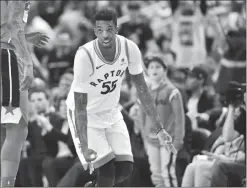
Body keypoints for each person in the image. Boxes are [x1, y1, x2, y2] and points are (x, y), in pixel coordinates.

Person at [66, 8, 177, 187]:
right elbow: (80, 104)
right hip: (86, 114)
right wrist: (84, 144)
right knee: (107, 170)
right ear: (95, 31)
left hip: (111, 111)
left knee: (125, 168)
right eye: (100, 30)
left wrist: (159, 129)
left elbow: (142, 89)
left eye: (109, 29)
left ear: (117, 29)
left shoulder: (129, 48)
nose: (105, 35)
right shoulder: (84, 55)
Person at [1, 1, 48, 187]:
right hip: (8, 56)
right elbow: (13, 26)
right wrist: (28, 62)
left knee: (4, 130)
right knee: (17, 127)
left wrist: (26, 38)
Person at [140, 56, 185, 187]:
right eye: (151, 67)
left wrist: (178, 140)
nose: (154, 69)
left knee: (168, 174)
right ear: (147, 71)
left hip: (168, 141)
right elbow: (142, 119)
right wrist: (145, 140)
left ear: (165, 71)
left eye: (158, 67)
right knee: (156, 174)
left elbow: (180, 118)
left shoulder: (173, 92)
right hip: (151, 140)